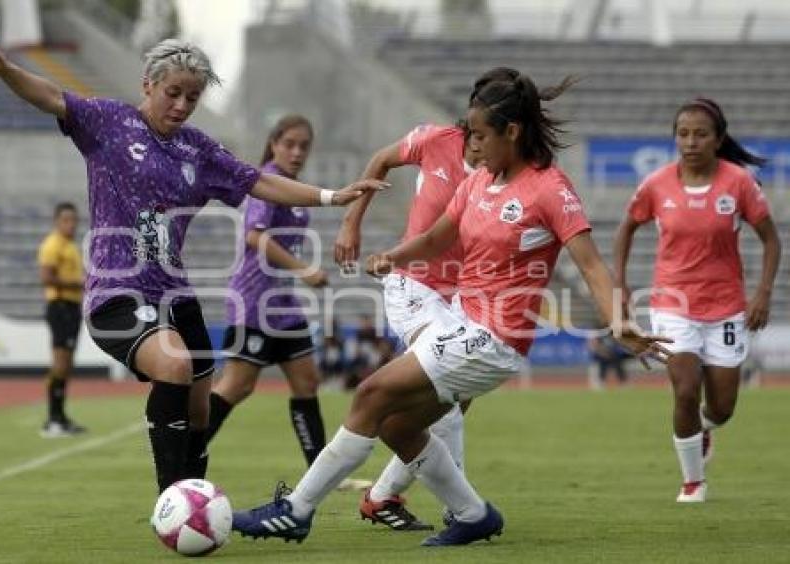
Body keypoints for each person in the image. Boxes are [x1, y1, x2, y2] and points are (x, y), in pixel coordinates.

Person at [233, 73, 671, 547]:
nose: (473, 145)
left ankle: (296, 511)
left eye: (481, 135)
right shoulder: (481, 180)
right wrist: (394, 257)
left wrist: (618, 319)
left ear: (513, 132)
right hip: (461, 319)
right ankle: (471, 514)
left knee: (372, 393)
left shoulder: (549, 188)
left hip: (495, 338)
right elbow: (441, 234)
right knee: (398, 424)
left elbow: (590, 264)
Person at [0, 38, 385, 494]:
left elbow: (260, 182)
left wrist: (330, 196)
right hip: (118, 292)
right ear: (148, 84)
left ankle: (192, 500)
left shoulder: (198, 149)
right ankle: (173, 501)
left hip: (176, 295)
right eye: (174, 93)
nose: (183, 105)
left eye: (193, 96)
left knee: (201, 409)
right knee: (175, 366)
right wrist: (4, 69)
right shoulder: (109, 122)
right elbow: (50, 97)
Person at [333, 67, 518, 531]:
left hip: (461, 298)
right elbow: (379, 160)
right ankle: (463, 510)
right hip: (411, 284)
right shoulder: (434, 140)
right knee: (446, 395)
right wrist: (351, 223)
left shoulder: (509, 171)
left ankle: (383, 497)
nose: (477, 138)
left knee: (450, 399)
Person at [613, 97, 781, 503]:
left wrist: (762, 292)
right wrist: (619, 286)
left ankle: (703, 429)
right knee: (685, 390)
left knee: (722, 407)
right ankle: (693, 482)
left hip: (725, 307)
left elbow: (771, 239)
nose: (690, 141)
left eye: (700, 134)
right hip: (673, 305)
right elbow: (626, 229)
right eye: (683, 133)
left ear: (718, 139)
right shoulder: (656, 184)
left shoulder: (738, 183)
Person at [206, 115, 329, 472]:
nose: (296, 152)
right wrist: (304, 269)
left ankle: (321, 473)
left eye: (303, 146)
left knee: (307, 381)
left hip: (283, 305)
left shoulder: (294, 190)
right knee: (237, 386)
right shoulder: (266, 181)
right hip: (253, 302)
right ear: (274, 143)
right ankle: (185, 451)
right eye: (289, 143)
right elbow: (254, 237)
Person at [37, 201, 86, 437]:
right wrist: (78, 284)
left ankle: (60, 417)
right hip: (60, 305)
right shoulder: (52, 245)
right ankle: (53, 419)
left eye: (74, 220)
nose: (71, 224)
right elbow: (47, 277)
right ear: (57, 221)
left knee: (66, 364)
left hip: (72, 306)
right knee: (60, 362)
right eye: (66, 220)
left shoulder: (70, 246)